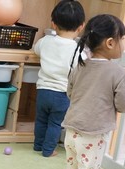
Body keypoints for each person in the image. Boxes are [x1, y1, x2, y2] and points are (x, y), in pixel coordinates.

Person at [62, 14, 125, 169]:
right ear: (110, 43)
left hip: (71, 128)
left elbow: (70, 92)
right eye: (121, 39)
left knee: (73, 165)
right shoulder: (117, 72)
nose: (123, 45)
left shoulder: (81, 66)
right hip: (93, 133)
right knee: (89, 168)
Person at [32, 0, 85, 158]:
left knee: (41, 120)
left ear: (53, 24)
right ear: (81, 27)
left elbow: (36, 50)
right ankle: (48, 150)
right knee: (55, 123)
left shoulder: (45, 41)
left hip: (43, 90)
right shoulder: (77, 50)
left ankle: (38, 145)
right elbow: (80, 68)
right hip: (62, 93)